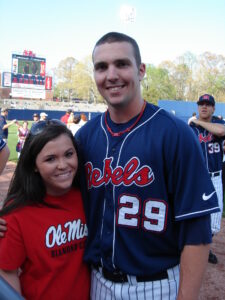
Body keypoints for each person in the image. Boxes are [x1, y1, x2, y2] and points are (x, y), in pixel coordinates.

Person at [74, 32, 219, 299]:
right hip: (96, 283)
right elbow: (52, 199)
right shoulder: (84, 138)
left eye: (122, 64)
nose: (112, 74)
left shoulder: (174, 134)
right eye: (101, 67)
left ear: (141, 70)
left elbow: (196, 232)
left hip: (156, 287)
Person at [0, 120, 90, 299]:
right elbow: (7, 271)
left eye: (69, 154)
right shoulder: (18, 211)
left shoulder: (88, 195)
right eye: (50, 159)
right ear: (34, 165)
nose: (63, 165)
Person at [189, 94, 225, 264]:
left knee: (215, 220)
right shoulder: (190, 128)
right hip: (196, 177)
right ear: (198, 107)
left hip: (215, 177)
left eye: (207, 104)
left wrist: (198, 121)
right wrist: (194, 123)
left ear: (213, 108)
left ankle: (204, 246)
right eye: (201, 104)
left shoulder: (219, 123)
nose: (204, 107)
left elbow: (221, 131)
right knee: (192, 213)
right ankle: (198, 249)